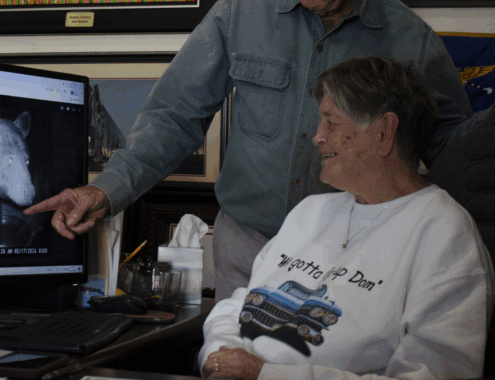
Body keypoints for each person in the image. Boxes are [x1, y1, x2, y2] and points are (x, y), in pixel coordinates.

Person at [24, 0, 495, 302]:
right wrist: (105, 191)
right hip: (247, 247)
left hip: (359, 256)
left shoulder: (410, 39)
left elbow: (453, 153)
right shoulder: (242, 10)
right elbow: (174, 116)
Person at [199, 56, 494, 380]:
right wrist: (219, 356)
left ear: (384, 132)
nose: (318, 137)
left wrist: (264, 374)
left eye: (331, 123)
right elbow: (239, 303)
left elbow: (432, 376)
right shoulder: (311, 211)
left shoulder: (443, 233)